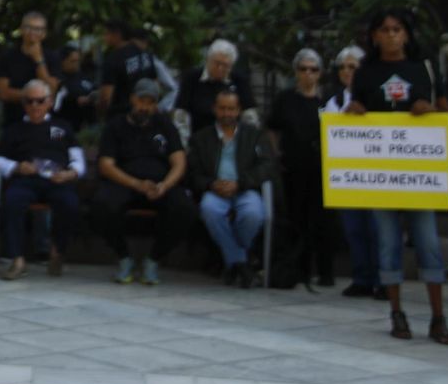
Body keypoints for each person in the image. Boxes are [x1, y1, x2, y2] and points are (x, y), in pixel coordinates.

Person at [347, 7, 448, 346]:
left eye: (397, 29)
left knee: (428, 243)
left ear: (406, 34)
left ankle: (438, 317)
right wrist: (355, 112)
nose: (392, 35)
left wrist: (432, 112)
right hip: (381, 173)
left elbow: (445, 112)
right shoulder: (365, 73)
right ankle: (397, 312)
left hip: (418, 173)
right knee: (388, 242)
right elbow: (354, 115)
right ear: (374, 36)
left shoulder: (423, 68)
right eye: (385, 29)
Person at [94, 79, 195, 286]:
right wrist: (136, 184)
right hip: (126, 183)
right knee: (101, 206)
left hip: (160, 186)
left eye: (150, 103)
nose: (145, 107)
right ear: (133, 99)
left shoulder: (165, 125)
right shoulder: (116, 126)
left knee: (185, 210)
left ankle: (154, 259)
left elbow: (179, 161)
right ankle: (124, 258)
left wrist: (165, 185)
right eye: (142, 101)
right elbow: (106, 164)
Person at [0, 80, 83, 280]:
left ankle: (57, 253)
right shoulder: (14, 129)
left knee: (70, 203)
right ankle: (17, 259)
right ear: (24, 103)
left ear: (49, 102)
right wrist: (16, 167)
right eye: (29, 101)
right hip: (26, 180)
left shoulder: (62, 127)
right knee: (13, 200)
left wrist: (70, 173)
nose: (35, 106)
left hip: (57, 181)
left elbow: (78, 160)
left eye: (40, 101)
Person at [189, 89, 276, 288]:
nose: (226, 113)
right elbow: (192, 173)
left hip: (244, 188)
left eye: (231, 109)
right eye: (222, 108)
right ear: (214, 109)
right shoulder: (202, 138)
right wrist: (211, 184)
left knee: (254, 214)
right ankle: (242, 262)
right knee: (209, 210)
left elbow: (267, 166)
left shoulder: (254, 136)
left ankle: (233, 261)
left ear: (238, 110)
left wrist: (241, 183)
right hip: (215, 190)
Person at [268, 48, 333, 287]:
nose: (308, 74)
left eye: (313, 69)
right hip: (293, 166)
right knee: (296, 217)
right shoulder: (285, 98)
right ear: (296, 72)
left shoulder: (326, 102)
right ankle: (298, 268)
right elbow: (272, 127)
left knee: (321, 219)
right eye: (303, 69)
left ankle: (325, 271)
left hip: (320, 167)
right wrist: (277, 154)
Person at [325, 45, 382, 299]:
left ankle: (383, 280)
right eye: (343, 67)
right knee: (354, 229)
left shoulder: (377, 97)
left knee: (378, 229)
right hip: (348, 175)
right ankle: (362, 278)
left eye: (353, 66)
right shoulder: (334, 102)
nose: (347, 71)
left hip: (376, 174)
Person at [176, 39, 256, 135]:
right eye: (217, 63)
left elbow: (249, 115)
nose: (220, 68)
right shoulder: (192, 78)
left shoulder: (239, 80)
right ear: (208, 60)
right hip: (198, 135)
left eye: (225, 65)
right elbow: (181, 114)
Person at [0, 11, 58, 125]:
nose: (33, 32)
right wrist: (35, 96)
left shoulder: (52, 57)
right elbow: (3, 92)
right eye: (29, 27)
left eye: (38, 29)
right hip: (14, 121)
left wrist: (39, 60)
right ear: (22, 29)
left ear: (44, 33)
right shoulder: (8, 57)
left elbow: (52, 91)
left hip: (44, 123)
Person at [53, 44, 100, 133]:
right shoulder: (57, 79)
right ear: (63, 61)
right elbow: (57, 102)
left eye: (78, 61)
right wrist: (75, 100)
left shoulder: (83, 75)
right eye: (73, 61)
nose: (76, 64)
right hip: (66, 125)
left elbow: (94, 89)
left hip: (90, 123)